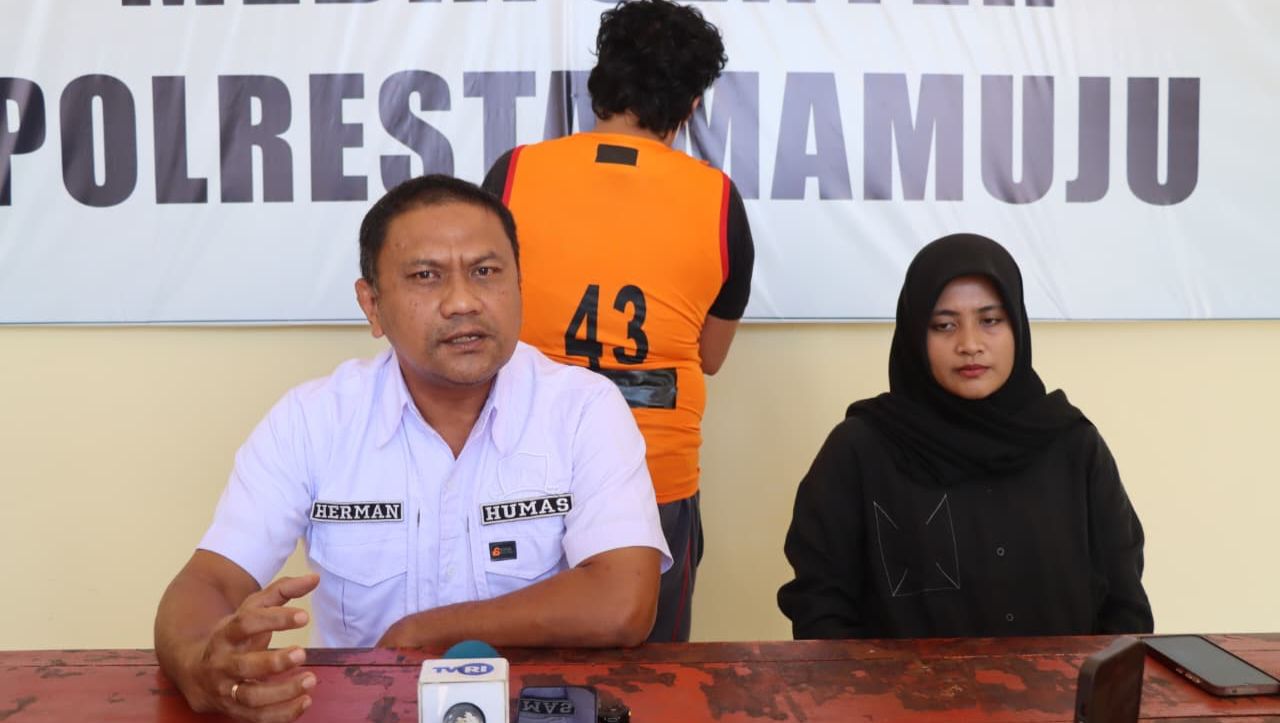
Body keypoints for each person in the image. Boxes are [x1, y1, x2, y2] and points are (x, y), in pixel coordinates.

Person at [153, 175, 671, 722]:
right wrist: (200, 665)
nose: (463, 302)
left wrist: (425, 631)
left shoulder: (583, 407)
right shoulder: (312, 420)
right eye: (426, 276)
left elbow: (623, 600)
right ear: (372, 305)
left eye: (485, 272)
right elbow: (208, 582)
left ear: (520, 284)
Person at [482, 0, 755, 643]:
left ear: (599, 83)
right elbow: (710, 355)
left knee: (513, 669)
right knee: (651, 677)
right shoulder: (718, 198)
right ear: (691, 104)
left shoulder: (514, 173)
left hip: (522, 464)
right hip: (653, 474)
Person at [777, 233, 1153, 639]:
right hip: (896, 684)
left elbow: (1125, 605)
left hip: (1061, 683)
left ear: (1017, 326)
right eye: (944, 325)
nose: (970, 345)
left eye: (990, 321)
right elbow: (820, 607)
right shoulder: (861, 450)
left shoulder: (1073, 446)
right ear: (914, 336)